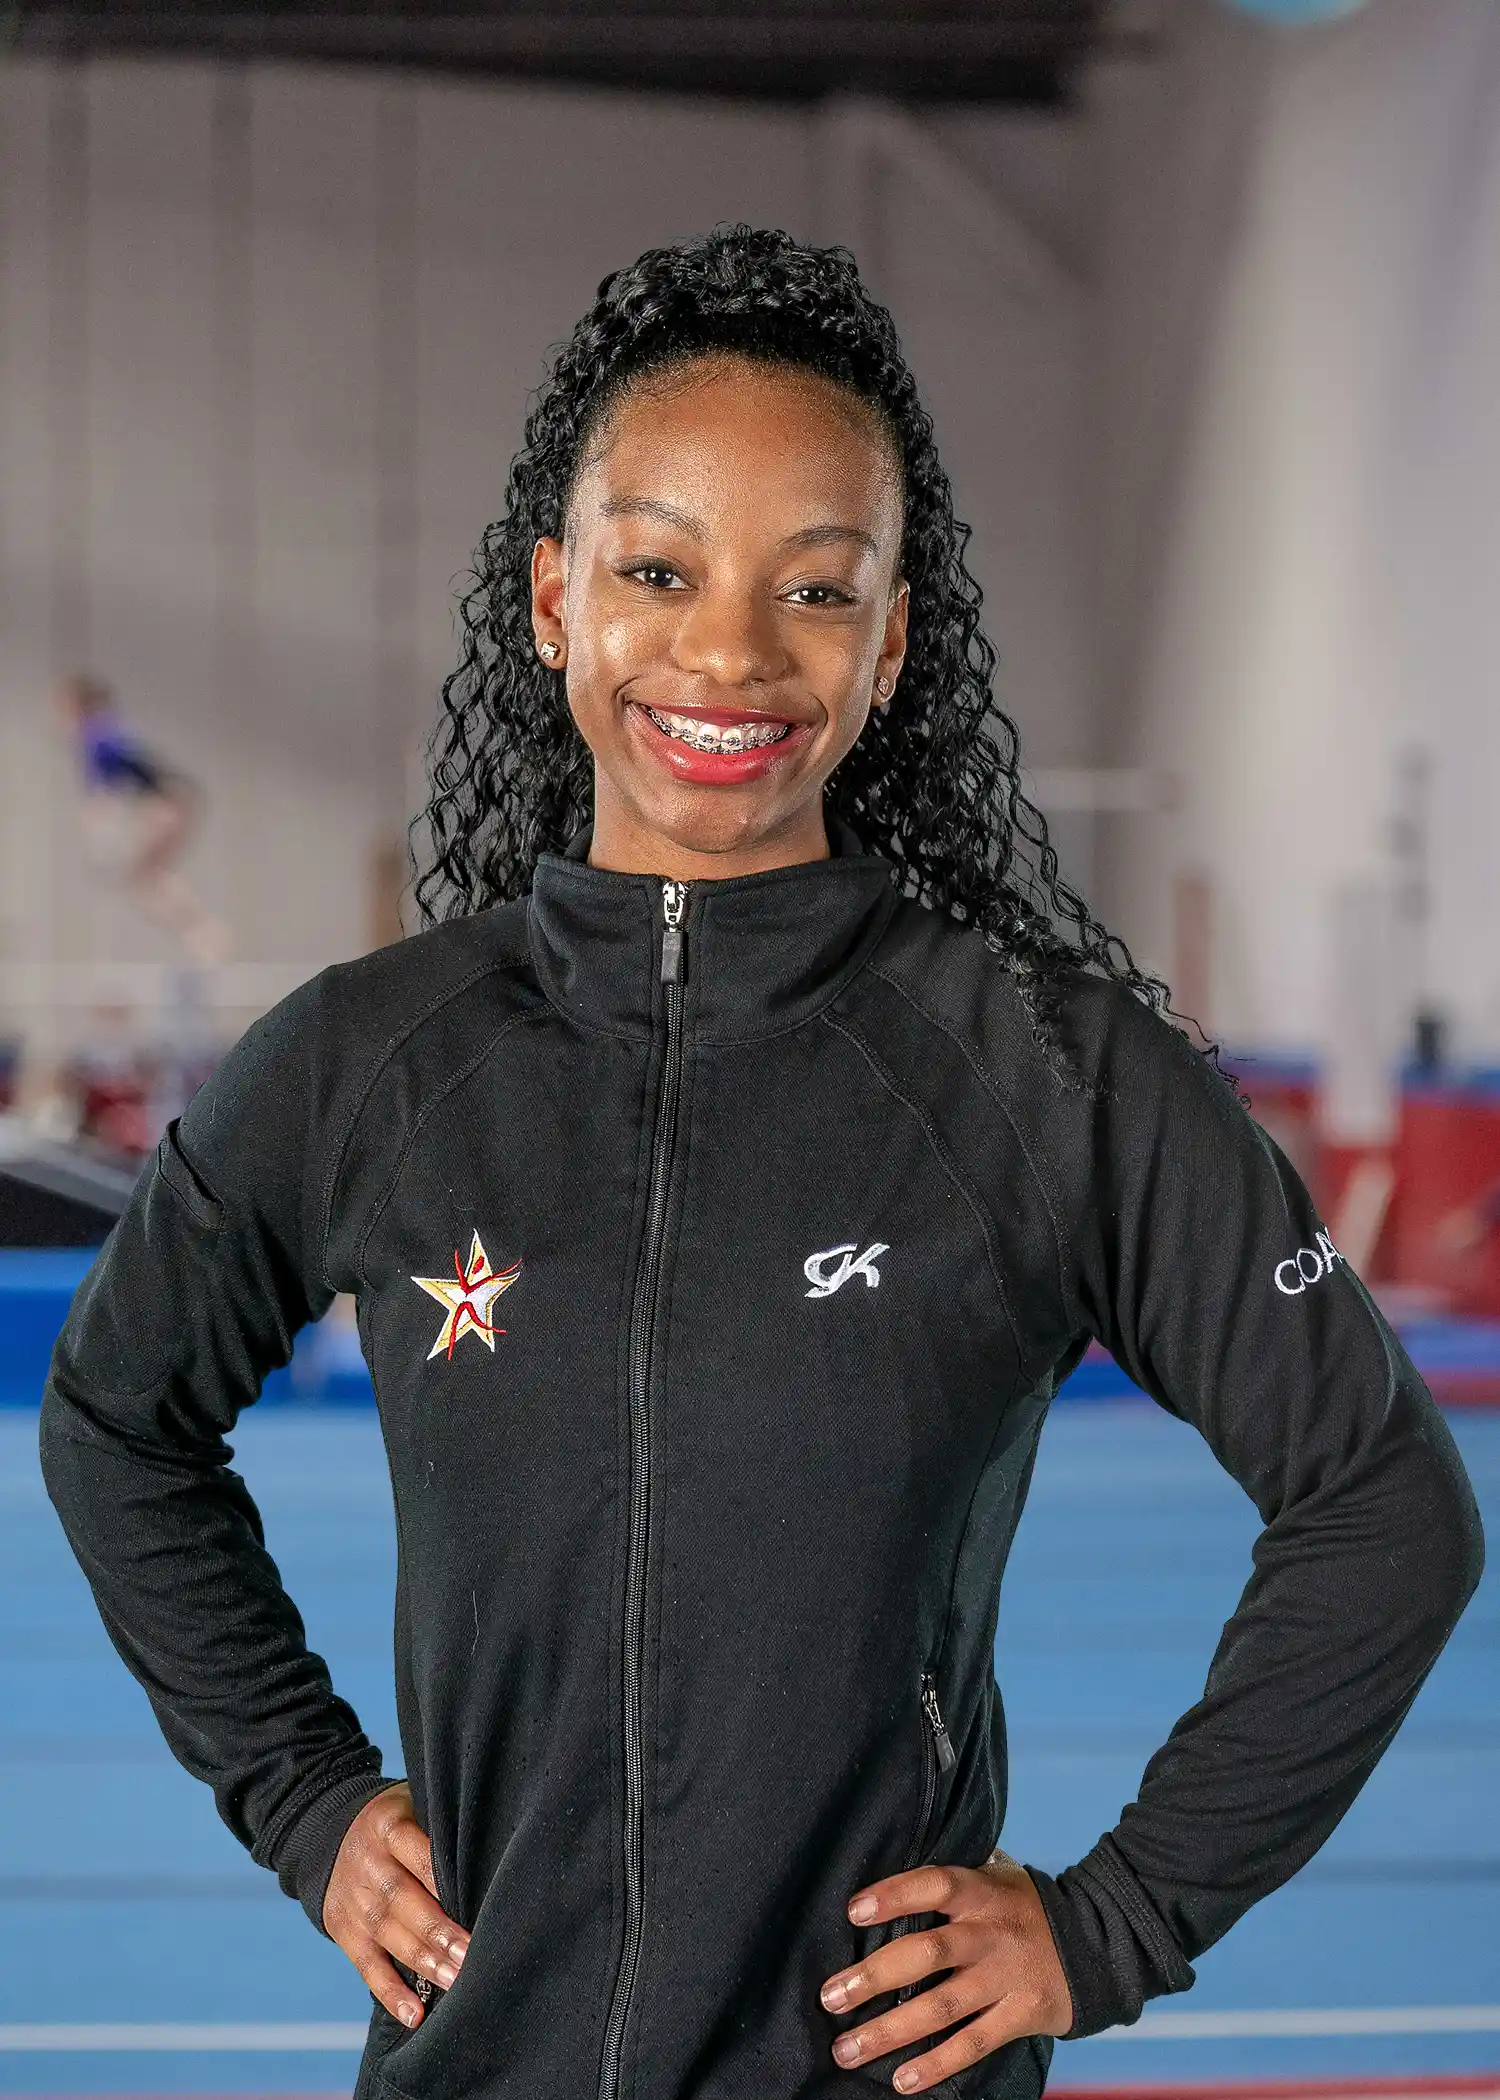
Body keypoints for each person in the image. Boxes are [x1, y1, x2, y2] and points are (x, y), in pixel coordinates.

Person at [40, 228, 1483, 2100]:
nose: (728, 651)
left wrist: (1115, 1921)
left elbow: (1385, 1504)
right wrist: (301, 1794)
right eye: (659, 570)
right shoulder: (368, 1060)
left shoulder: (1047, 1077)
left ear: (891, 645)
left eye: (815, 589)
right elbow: (117, 1416)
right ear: (554, 599)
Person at [54, 671, 230, 969]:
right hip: (173, 797)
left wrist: (100, 843)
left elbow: (101, 801)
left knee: (144, 877)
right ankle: (202, 933)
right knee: (147, 878)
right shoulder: (108, 729)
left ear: (76, 706)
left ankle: (204, 934)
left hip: (167, 800)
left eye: (62, 709)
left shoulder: (96, 736)